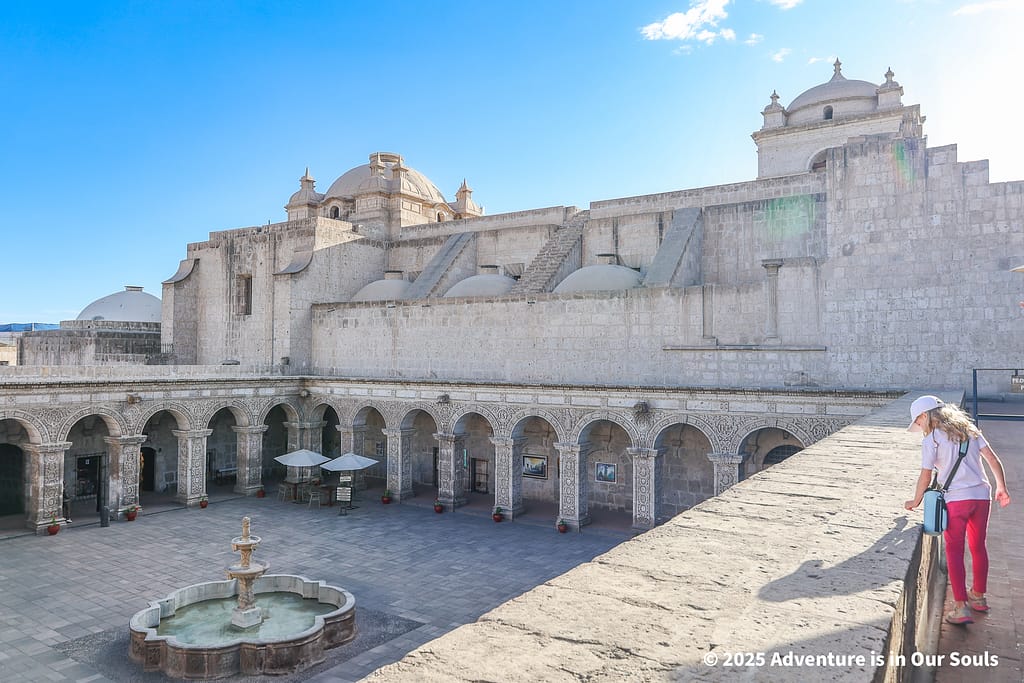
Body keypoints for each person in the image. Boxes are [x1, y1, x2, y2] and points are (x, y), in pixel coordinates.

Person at [904, 396, 1011, 625]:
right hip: (982, 496)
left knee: (954, 550)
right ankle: (979, 597)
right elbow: (992, 459)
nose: (920, 427)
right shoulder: (969, 430)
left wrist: (915, 501)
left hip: (957, 499)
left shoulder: (932, 439)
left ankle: (961, 606)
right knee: (978, 547)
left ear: (925, 416)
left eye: (919, 422)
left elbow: (925, 476)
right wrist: (1001, 487)